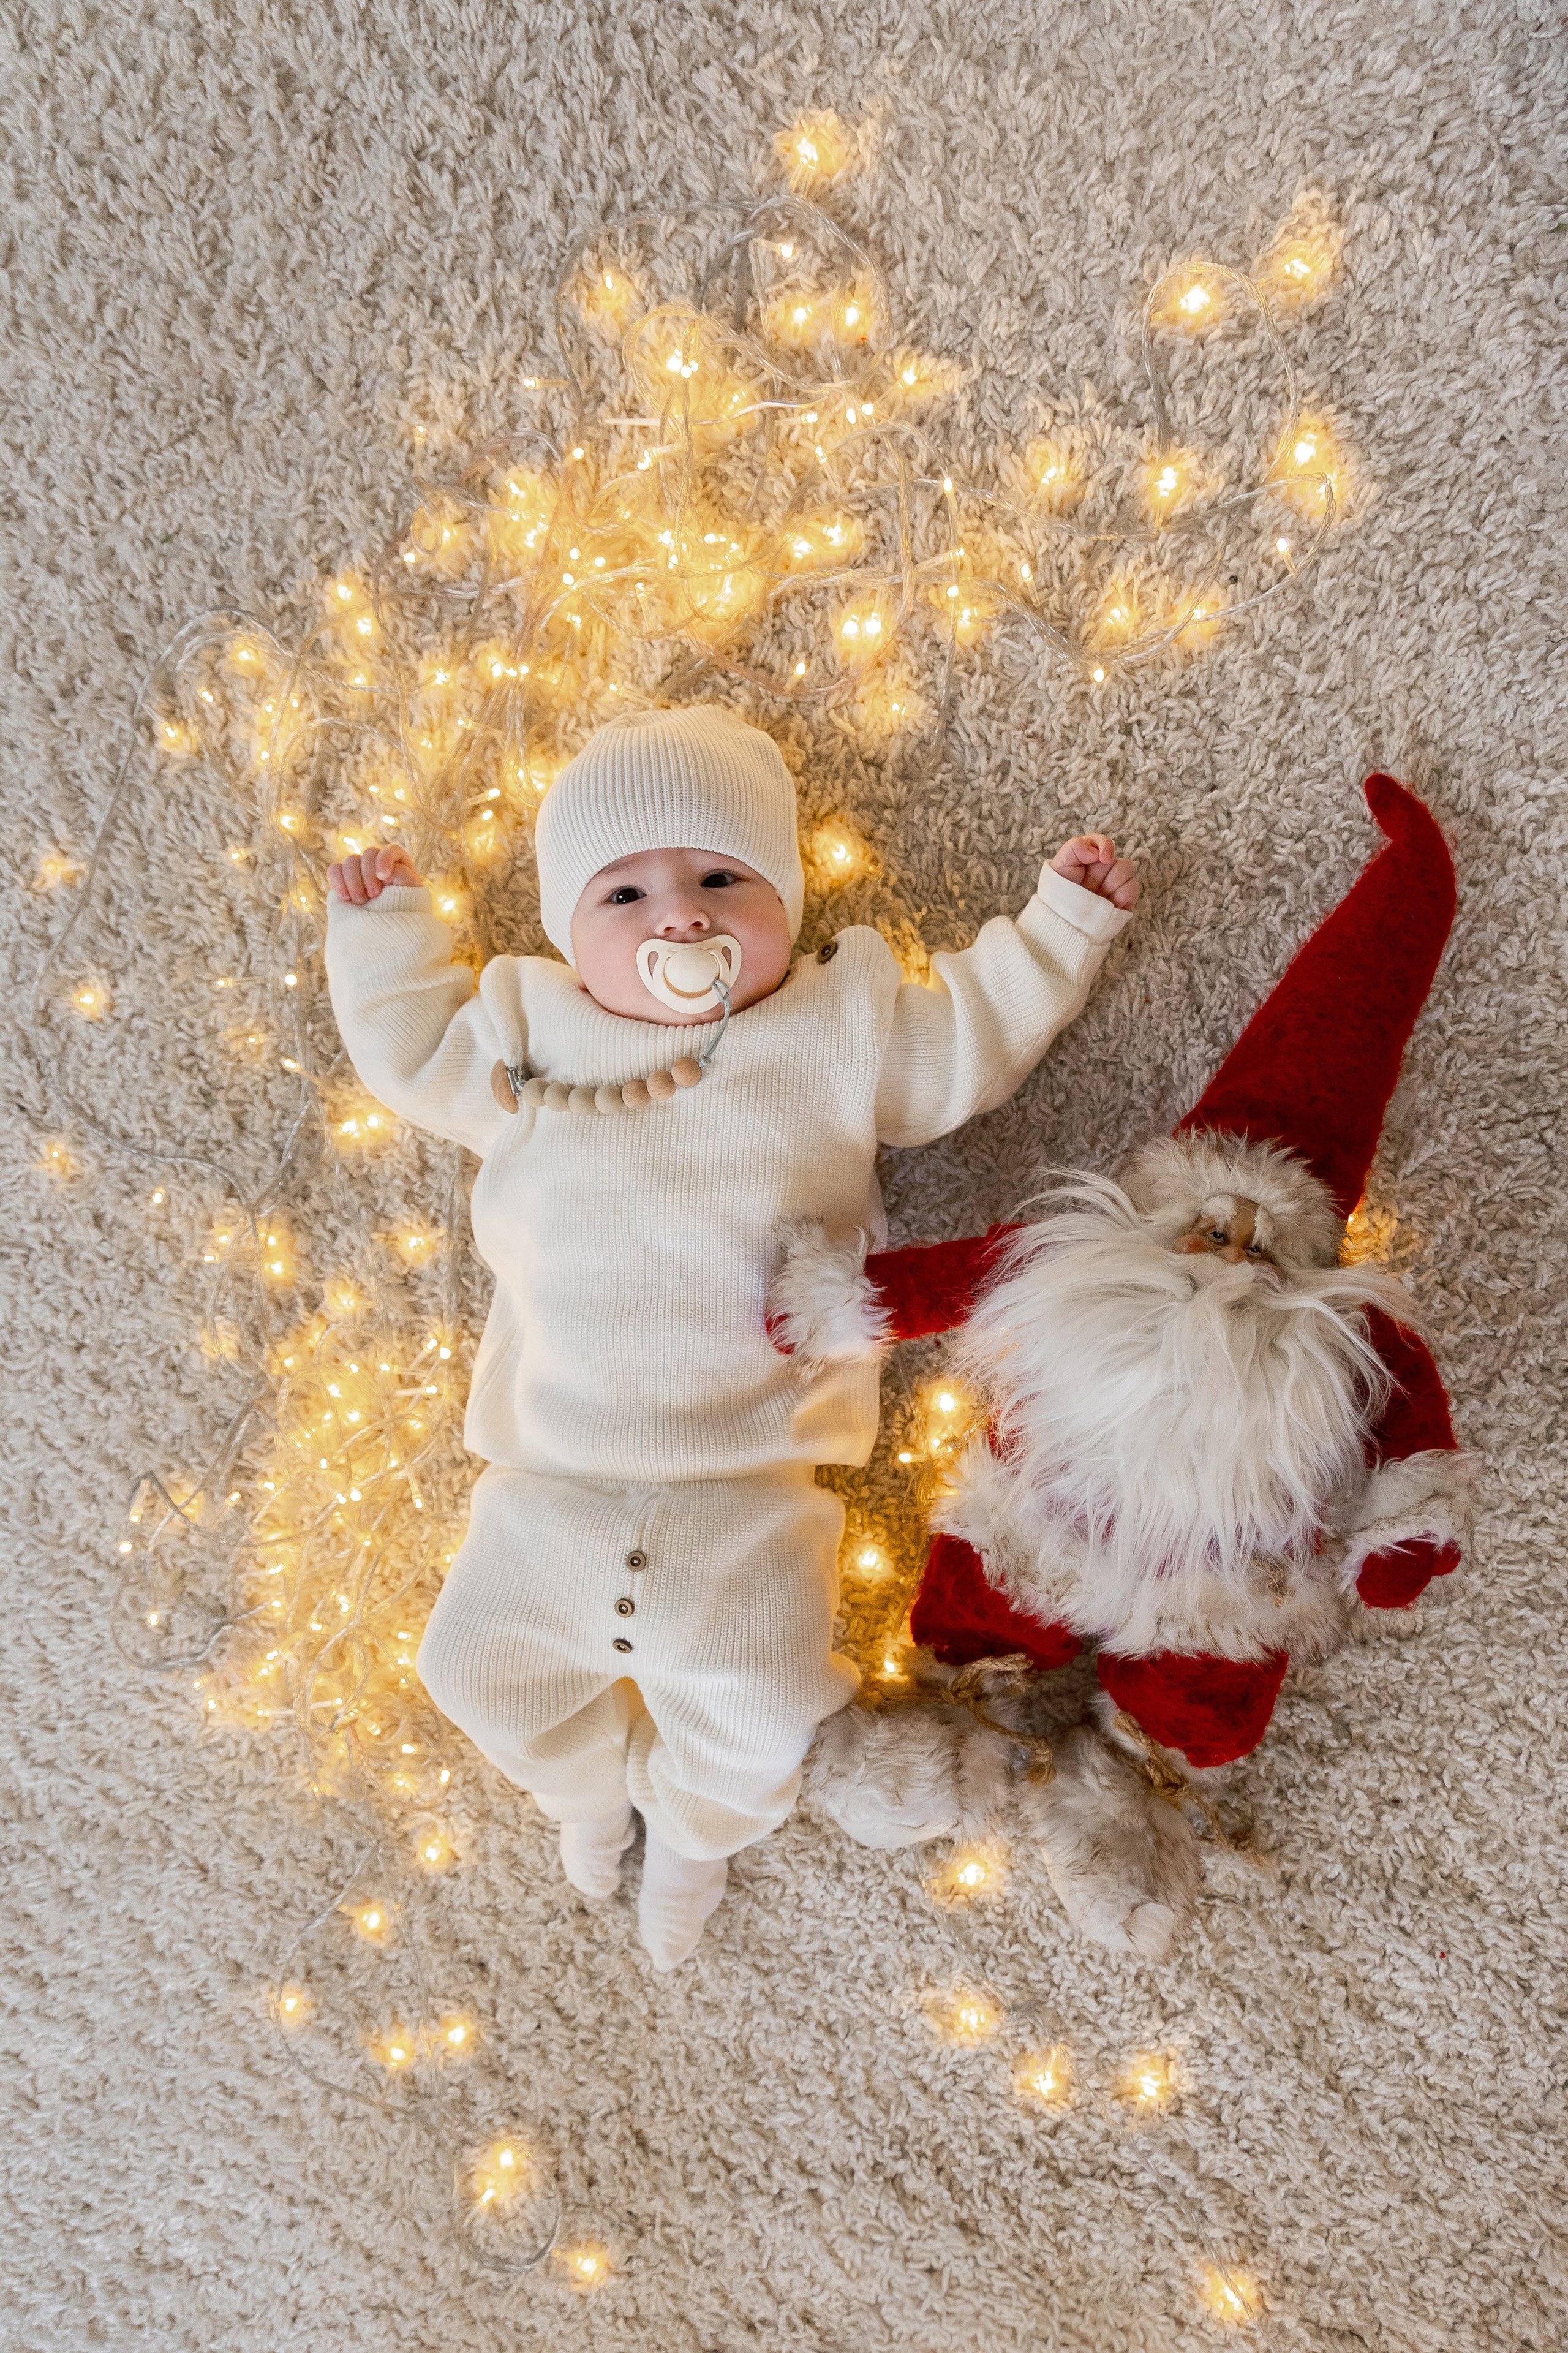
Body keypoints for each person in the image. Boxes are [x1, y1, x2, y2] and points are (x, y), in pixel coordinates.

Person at [325, 701, 1139, 1966]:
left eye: (720, 879)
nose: (679, 918)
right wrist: (383, 932)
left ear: (786, 901)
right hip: (548, 1479)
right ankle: (587, 1791)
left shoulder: (834, 1021)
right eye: (625, 895)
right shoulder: (529, 1035)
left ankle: (698, 1832)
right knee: (470, 1669)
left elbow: (961, 1049)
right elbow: (413, 1049)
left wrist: (1057, 926)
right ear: (562, 930)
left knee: (767, 1709)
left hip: (754, 1490)